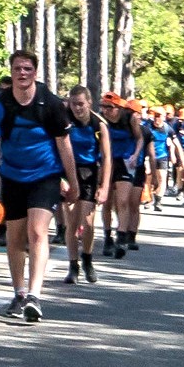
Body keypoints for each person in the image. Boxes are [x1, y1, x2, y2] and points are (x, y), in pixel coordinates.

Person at [0, 51, 77, 323]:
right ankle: (19, 292)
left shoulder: (49, 103)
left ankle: (35, 295)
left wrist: (73, 182)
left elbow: (64, 144)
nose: (22, 73)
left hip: (45, 175)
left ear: (35, 72)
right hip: (12, 176)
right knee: (15, 238)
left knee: (37, 232)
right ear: (11, 72)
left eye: (27, 68)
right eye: (17, 68)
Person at [58, 86, 111, 285]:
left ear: (89, 102)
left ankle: (87, 258)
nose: (77, 108)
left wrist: (104, 186)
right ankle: (73, 265)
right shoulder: (65, 121)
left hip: (89, 172)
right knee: (71, 221)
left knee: (87, 223)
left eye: (81, 104)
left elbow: (106, 158)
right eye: (74, 104)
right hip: (67, 171)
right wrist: (59, 179)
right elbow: (56, 148)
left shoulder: (99, 125)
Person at [100, 95, 148, 255]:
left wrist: (135, 154)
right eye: (103, 107)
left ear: (118, 108)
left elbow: (139, 138)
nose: (105, 111)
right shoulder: (102, 121)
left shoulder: (130, 118)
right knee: (106, 203)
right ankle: (107, 237)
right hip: (108, 161)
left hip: (126, 161)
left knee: (122, 200)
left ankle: (121, 237)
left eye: (109, 107)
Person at [145, 106, 175, 211]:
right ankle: (149, 199)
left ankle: (158, 200)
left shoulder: (168, 129)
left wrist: (174, 155)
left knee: (162, 178)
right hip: (149, 156)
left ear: (164, 117)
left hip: (162, 156)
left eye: (159, 116)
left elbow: (174, 143)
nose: (157, 118)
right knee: (148, 177)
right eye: (155, 116)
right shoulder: (147, 126)